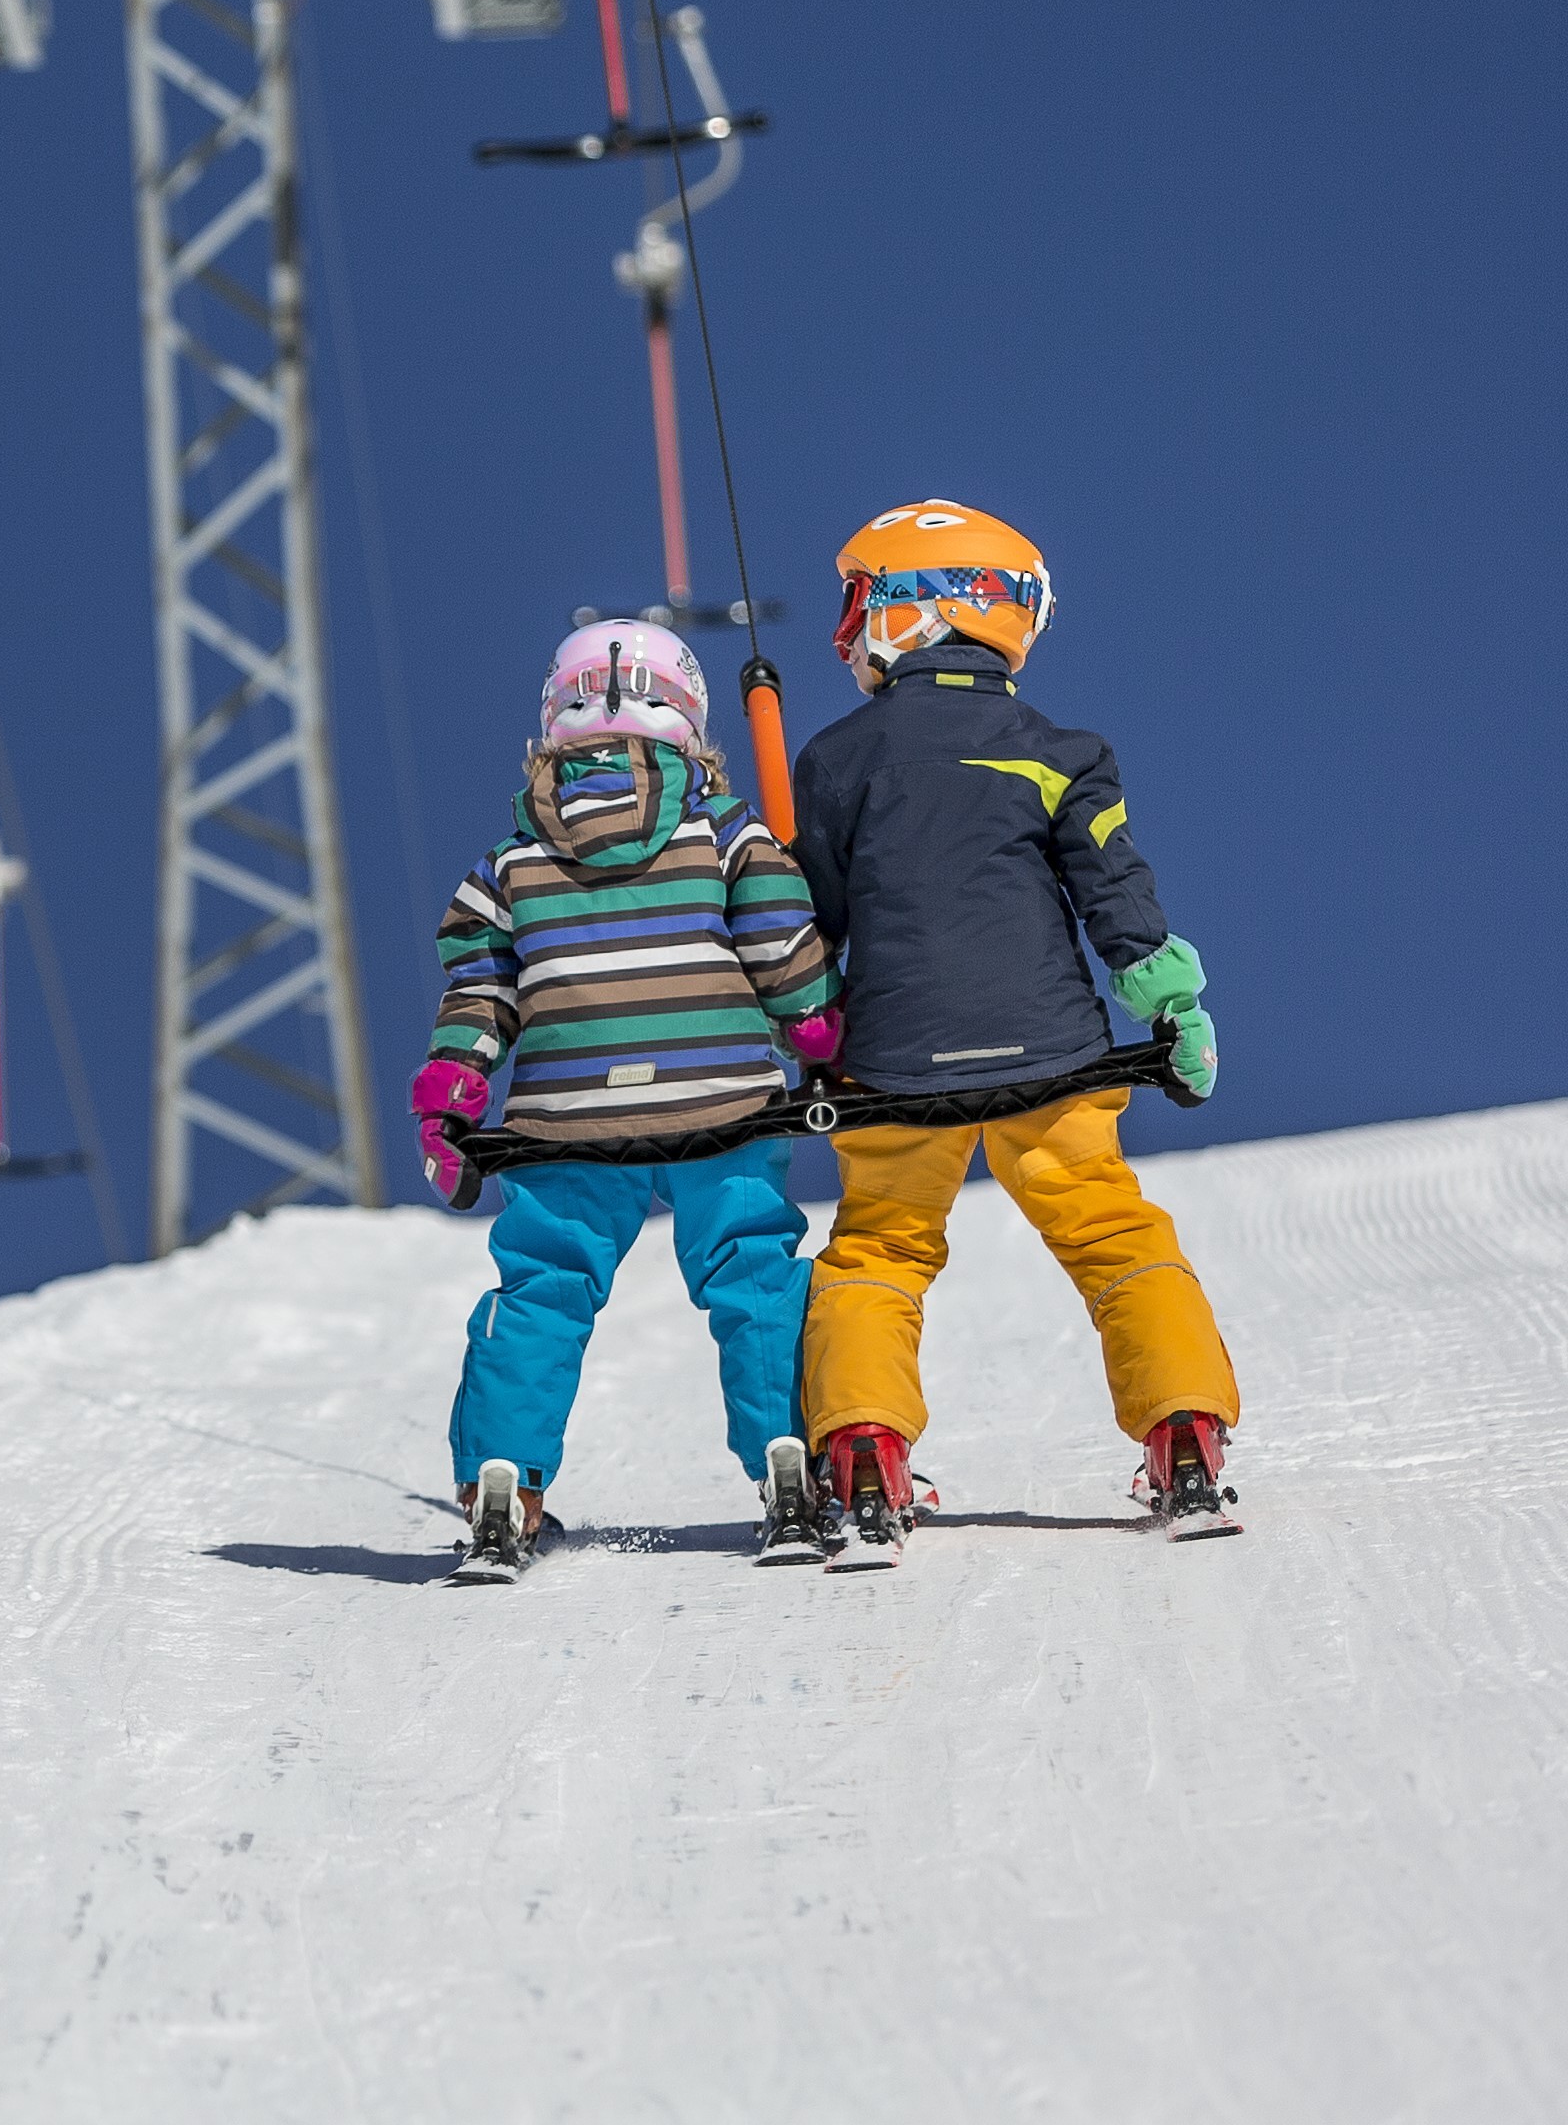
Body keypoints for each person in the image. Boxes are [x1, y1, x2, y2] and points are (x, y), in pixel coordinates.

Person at [791, 500, 1238, 1560]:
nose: (846, 626)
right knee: (1112, 1232)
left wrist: (805, 1025)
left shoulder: (835, 758)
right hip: (1052, 1055)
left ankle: (862, 1447)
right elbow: (1115, 895)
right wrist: (1173, 1006)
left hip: (894, 1062)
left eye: (859, 598)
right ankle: (1184, 1429)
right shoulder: (1062, 750)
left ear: (914, 604)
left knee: (878, 1251)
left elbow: (808, 928)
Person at [415, 620, 842, 1581]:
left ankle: (501, 1485)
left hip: (565, 1123)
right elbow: (782, 945)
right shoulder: (727, 828)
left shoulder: (508, 865)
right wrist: (815, 1031)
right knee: (752, 1274)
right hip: (720, 1105)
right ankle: (788, 1464)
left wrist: (452, 1097)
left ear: (553, 727)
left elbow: (478, 995)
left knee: (544, 1292)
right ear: (687, 716)